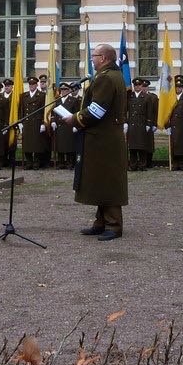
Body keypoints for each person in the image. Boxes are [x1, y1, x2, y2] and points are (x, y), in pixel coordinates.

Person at [61, 44, 128, 241]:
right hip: (104, 137)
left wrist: (74, 119)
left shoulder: (106, 78)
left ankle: (114, 225)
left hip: (103, 139)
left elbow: (97, 110)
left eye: (94, 56)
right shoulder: (112, 75)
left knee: (108, 181)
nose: (92, 59)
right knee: (100, 180)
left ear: (104, 58)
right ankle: (101, 222)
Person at [125, 77, 156, 171]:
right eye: (135, 85)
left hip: (142, 124)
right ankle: (133, 165)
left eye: (139, 85)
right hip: (132, 123)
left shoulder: (147, 97)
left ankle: (142, 165)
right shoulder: (129, 96)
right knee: (132, 147)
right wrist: (125, 122)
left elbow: (149, 111)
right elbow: (124, 110)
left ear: (142, 86)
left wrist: (148, 123)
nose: (137, 87)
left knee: (142, 146)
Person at [166, 76, 183, 170]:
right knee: (174, 145)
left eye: (180, 87)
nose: (178, 89)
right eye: (177, 87)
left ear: (182, 87)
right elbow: (166, 112)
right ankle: (175, 163)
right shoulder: (171, 97)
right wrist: (167, 125)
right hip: (173, 124)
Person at [19, 76, 47, 169]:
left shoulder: (42, 95)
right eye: (30, 84)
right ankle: (29, 162)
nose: (31, 86)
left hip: (37, 122)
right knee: (27, 143)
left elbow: (44, 110)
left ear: (36, 85)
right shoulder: (24, 95)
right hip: (27, 122)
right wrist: (20, 122)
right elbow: (21, 109)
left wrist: (43, 123)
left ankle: (36, 162)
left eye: (33, 84)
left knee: (37, 144)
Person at [53, 82, 80, 169]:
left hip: (69, 125)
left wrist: (76, 125)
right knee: (60, 145)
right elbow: (54, 113)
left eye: (65, 90)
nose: (63, 91)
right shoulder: (57, 100)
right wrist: (53, 121)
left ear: (68, 91)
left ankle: (69, 163)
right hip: (59, 126)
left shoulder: (74, 100)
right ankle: (61, 162)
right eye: (62, 90)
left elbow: (77, 113)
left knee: (69, 145)